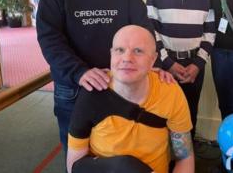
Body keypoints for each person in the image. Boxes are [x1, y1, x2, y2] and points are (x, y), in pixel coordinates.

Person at [36, 0, 156, 153]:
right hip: (74, 87)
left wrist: (156, 64)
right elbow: (49, 38)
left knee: (114, 154)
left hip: (119, 84)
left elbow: (143, 29)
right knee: (78, 158)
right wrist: (79, 72)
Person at [67, 25, 194, 173]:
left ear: (153, 60)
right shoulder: (91, 94)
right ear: (111, 54)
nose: (127, 58)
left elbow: (185, 158)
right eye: (119, 50)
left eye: (138, 51)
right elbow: (74, 166)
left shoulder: (170, 91)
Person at [146, 0, 215, 139]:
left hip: (194, 66)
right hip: (164, 65)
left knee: (189, 114)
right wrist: (167, 62)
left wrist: (198, 64)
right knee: (162, 115)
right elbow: (151, 28)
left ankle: (187, 160)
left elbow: (210, 31)